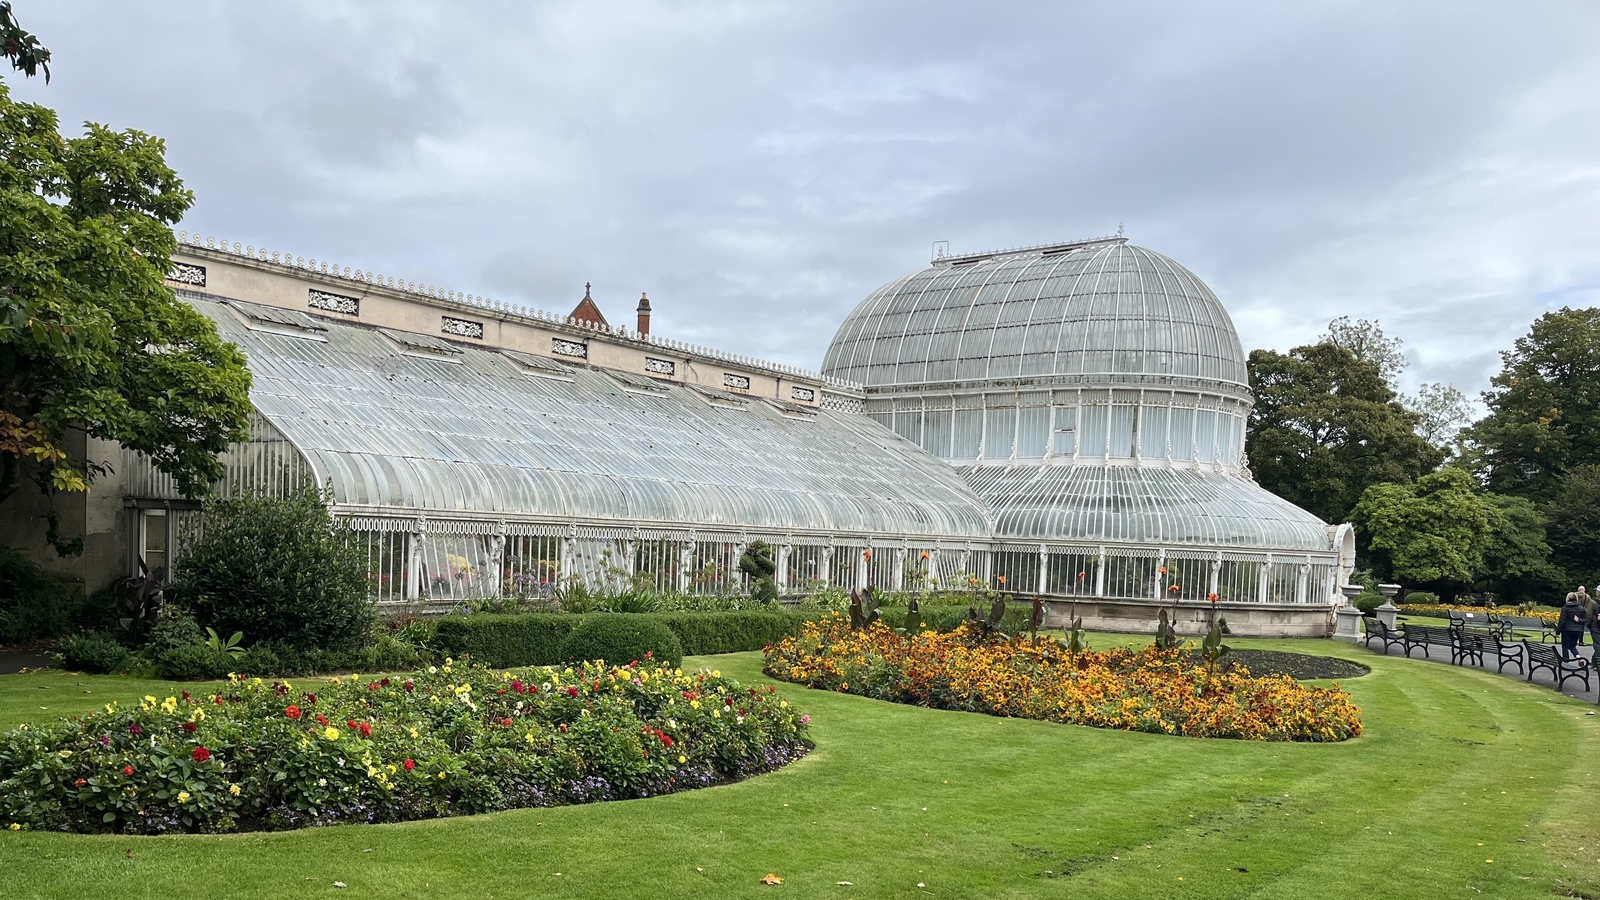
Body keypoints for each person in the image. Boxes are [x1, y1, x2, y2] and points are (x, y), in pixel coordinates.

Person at [1559, 590, 1588, 658]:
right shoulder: (1581, 608)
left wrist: (1558, 631)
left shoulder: (1565, 608)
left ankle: (1566, 660)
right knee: (1572, 645)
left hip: (1567, 629)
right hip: (1578, 630)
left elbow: (1562, 620)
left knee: (1565, 646)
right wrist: (1579, 620)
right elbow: (1586, 619)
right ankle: (1578, 657)